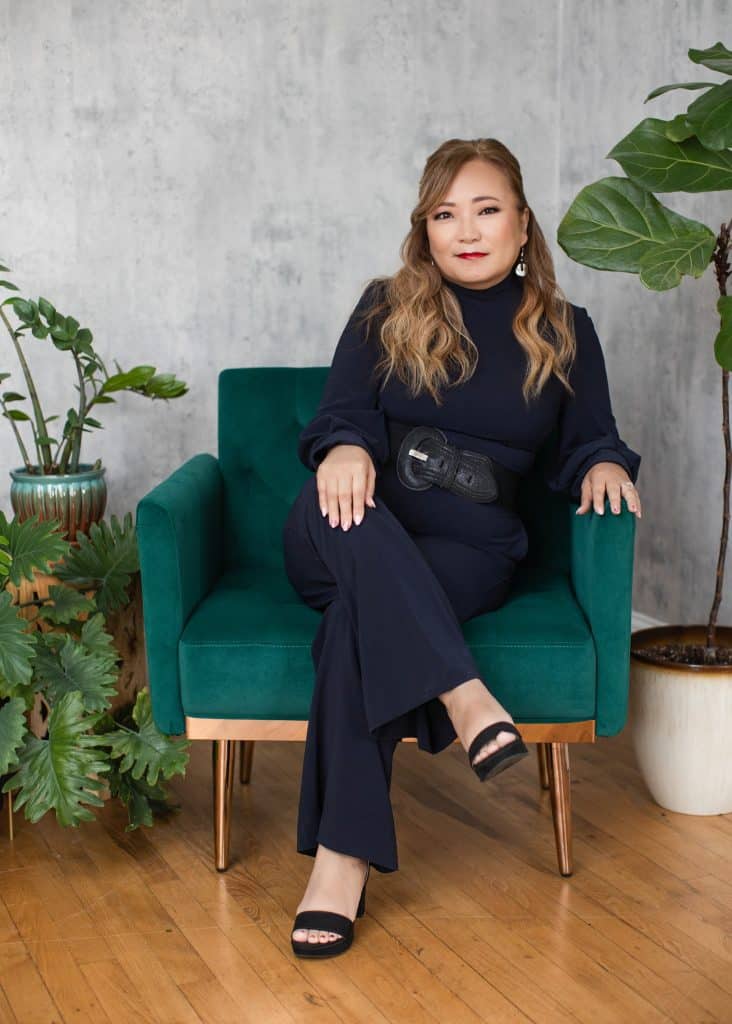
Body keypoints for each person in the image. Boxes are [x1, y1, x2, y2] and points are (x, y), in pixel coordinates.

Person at [282, 137, 642, 958]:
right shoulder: (385, 306)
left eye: (486, 210)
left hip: (467, 549)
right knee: (351, 524)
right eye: (447, 214)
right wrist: (342, 447)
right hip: (348, 523)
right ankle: (465, 695)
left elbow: (593, 441)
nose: (467, 230)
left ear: (522, 225)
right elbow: (340, 411)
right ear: (426, 230)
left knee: (356, 630)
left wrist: (606, 468)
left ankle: (340, 865)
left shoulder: (565, 330)